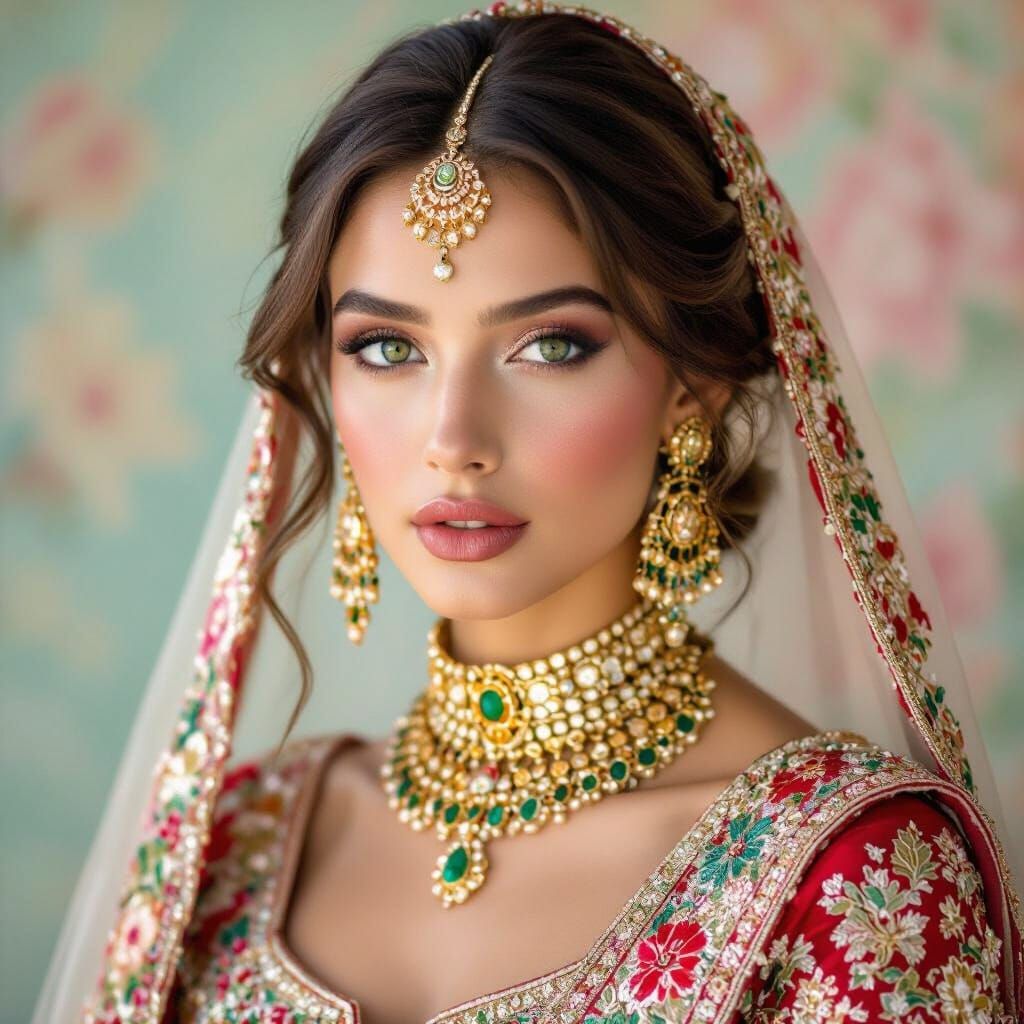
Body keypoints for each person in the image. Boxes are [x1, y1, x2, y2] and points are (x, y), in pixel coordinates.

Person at [34, 3, 1022, 1023]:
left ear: (693, 381)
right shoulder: (230, 847)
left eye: (549, 345)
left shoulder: (848, 877)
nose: (453, 436)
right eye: (386, 347)